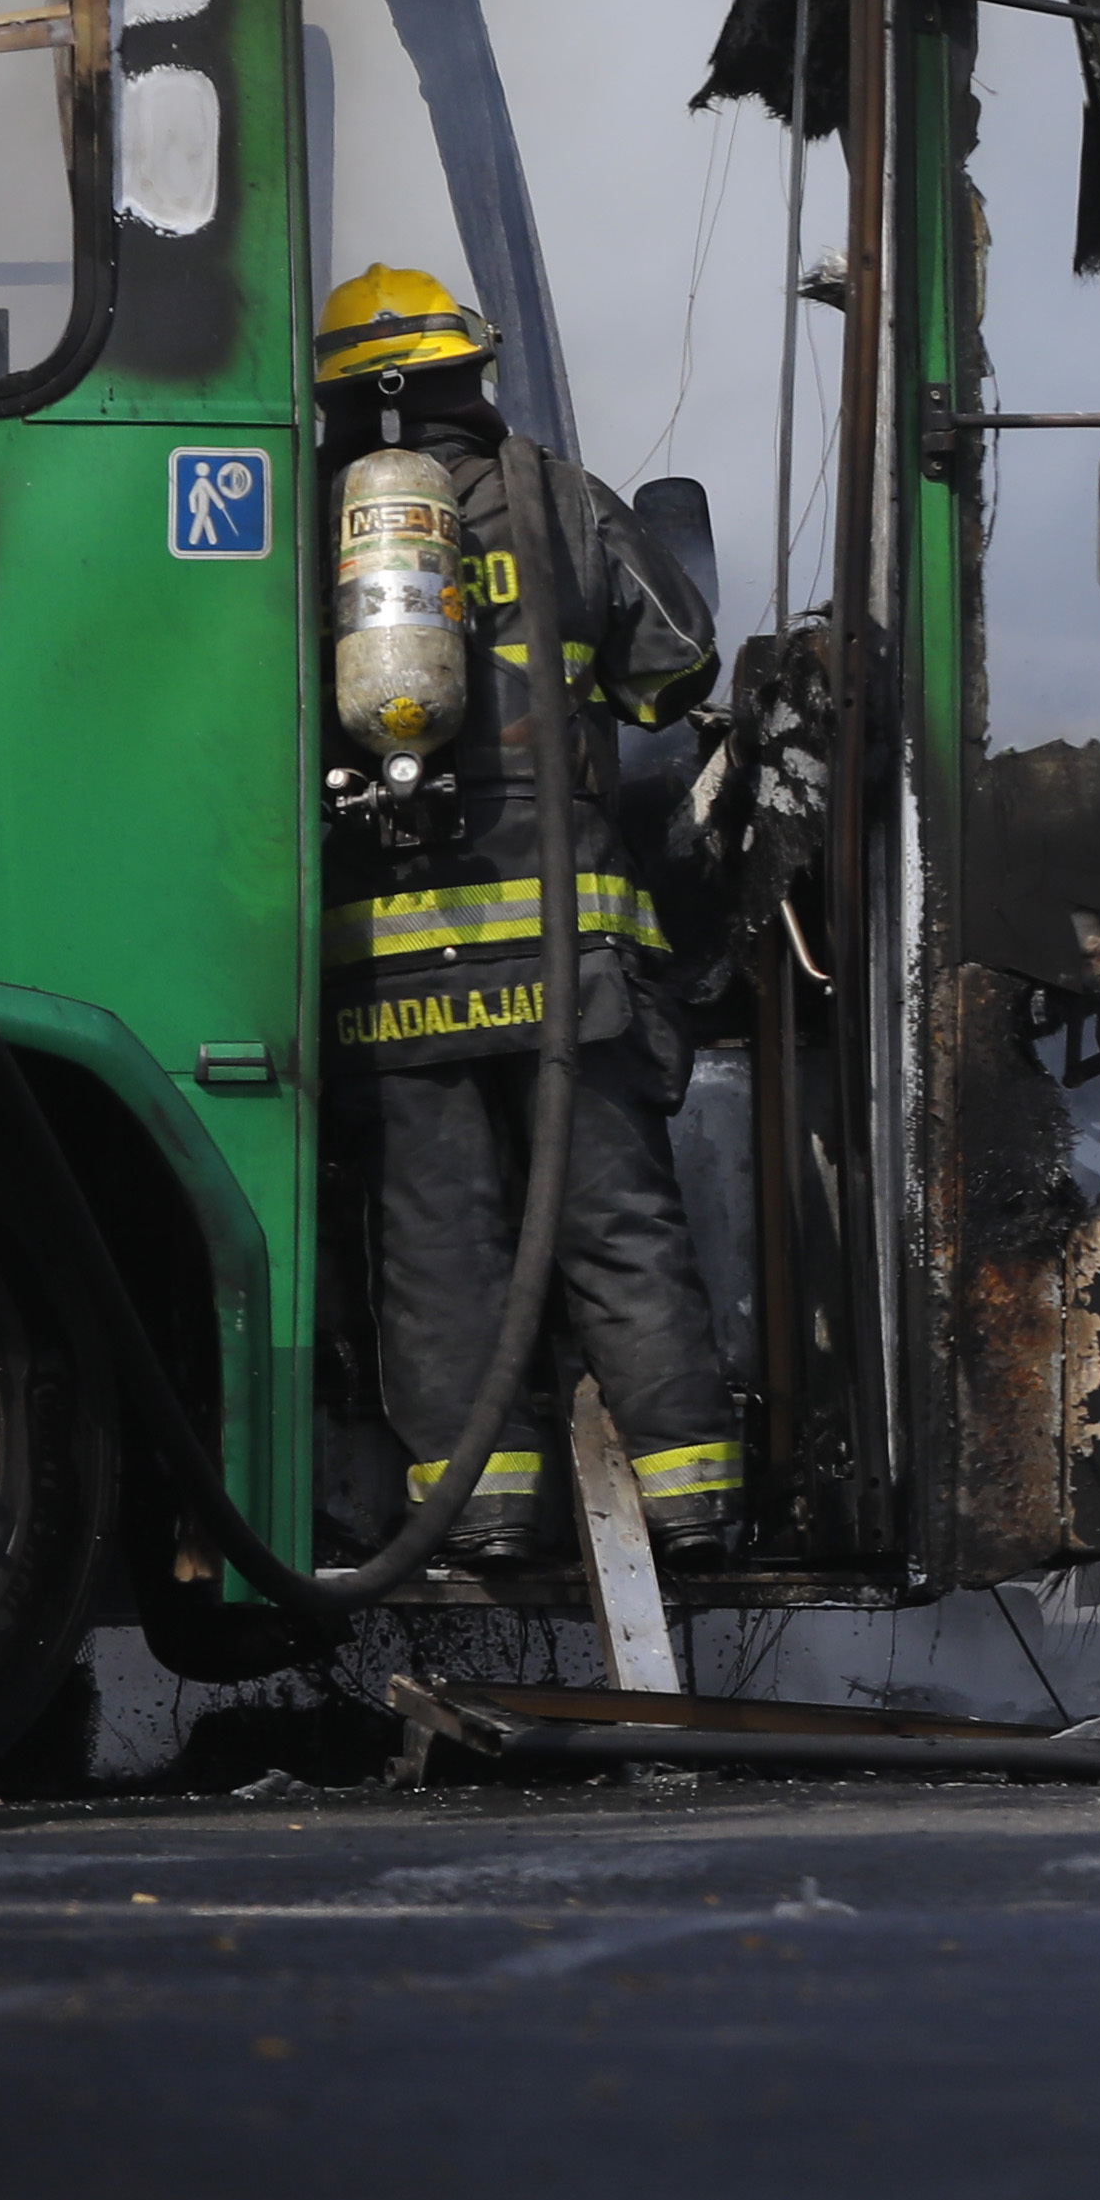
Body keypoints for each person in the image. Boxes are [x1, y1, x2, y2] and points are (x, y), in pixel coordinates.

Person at [311, 268, 728, 1562]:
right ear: (470, 376)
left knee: (441, 1250)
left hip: (395, 960)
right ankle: (695, 1491)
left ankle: (483, 1513)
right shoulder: (558, 495)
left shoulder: (319, 529)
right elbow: (676, 670)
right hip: (565, 961)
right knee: (615, 1225)